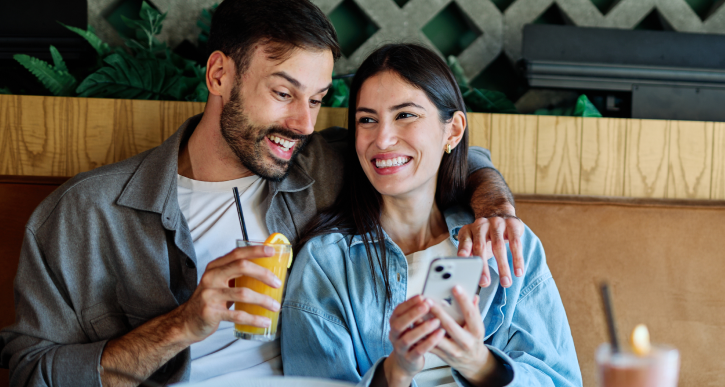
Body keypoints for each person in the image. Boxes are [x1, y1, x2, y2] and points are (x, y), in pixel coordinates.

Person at [0, 1, 524, 386]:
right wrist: (183, 324)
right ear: (219, 75)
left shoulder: (323, 165)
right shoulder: (86, 214)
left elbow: (437, 154)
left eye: (316, 100)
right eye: (282, 92)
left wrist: (495, 206)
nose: (302, 123)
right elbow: (29, 373)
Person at [281, 44, 582, 387]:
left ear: (452, 131)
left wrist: (479, 364)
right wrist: (396, 371)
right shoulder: (325, 263)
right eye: (367, 120)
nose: (383, 139)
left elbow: (560, 380)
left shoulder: (506, 244)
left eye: (405, 115)